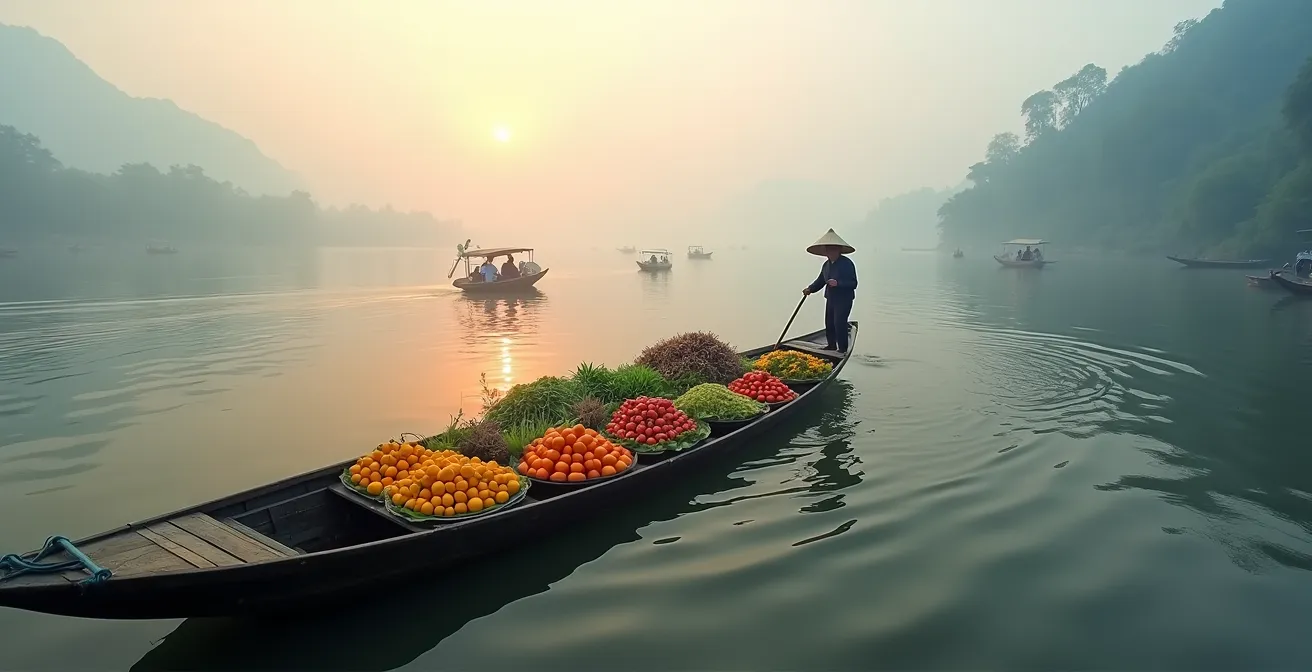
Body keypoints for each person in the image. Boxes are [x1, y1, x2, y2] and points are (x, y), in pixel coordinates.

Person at [801, 229, 857, 353]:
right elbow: (820, 280)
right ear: (825, 252)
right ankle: (831, 345)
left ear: (838, 250)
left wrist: (838, 283)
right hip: (831, 298)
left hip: (844, 299)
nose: (830, 252)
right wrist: (810, 288)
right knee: (829, 322)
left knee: (839, 323)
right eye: (828, 250)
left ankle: (842, 348)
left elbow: (853, 283)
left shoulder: (847, 264)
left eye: (833, 249)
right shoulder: (826, 265)